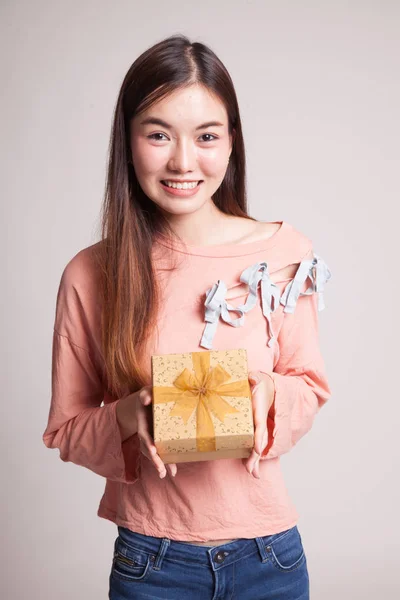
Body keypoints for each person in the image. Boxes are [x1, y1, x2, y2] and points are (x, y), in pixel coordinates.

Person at [42, 34, 332, 600]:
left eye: (206, 136)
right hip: (151, 561)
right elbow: (65, 429)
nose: (182, 161)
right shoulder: (91, 273)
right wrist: (129, 414)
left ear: (231, 144)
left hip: (269, 554)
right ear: (128, 143)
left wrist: (270, 394)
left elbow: (311, 386)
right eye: (157, 134)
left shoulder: (284, 253)